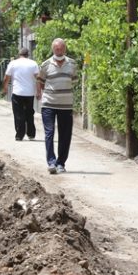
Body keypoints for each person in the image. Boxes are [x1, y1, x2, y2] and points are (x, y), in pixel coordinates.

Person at [36, 38, 78, 174]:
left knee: (65, 135)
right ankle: (51, 162)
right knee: (49, 133)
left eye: (61, 48)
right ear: (53, 49)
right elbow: (41, 81)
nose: (58, 51)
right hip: (49, 104)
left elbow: (74, 81)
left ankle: (61, 163)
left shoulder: (72, 64)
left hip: (66, 105)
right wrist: (42, 93)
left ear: (65, 49)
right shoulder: (46, 64)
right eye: (56, 49)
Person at [2, 48, 39, 141]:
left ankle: (19, 134)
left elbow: (7, 77)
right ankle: (31, 134)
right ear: (28, 54)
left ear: (19, 54)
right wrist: (39, 91)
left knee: (18, 114)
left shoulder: (13, 63)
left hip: (17, 92)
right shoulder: (33, 63)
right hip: (29, 93)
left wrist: (5, 88)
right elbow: (38, 78)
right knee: (29, 113)